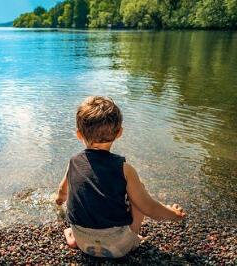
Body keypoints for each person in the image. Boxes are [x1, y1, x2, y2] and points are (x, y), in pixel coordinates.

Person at [55, 96, 186, 258]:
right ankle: (133, 238)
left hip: (83, 243)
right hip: (119, 247)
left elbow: (62, 191)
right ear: (119, 133)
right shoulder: (124, 169)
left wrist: (59, 201)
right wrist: (174, 215)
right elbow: (149, 208)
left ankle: (72, 237)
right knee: (139, 191)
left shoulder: (73, 162)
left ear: (79, 134)